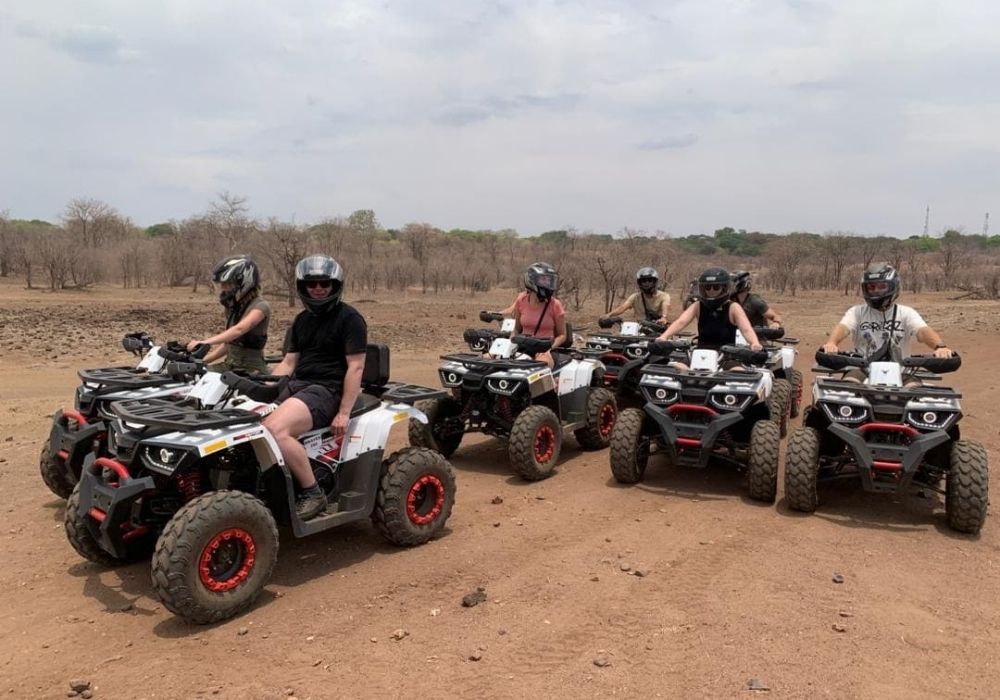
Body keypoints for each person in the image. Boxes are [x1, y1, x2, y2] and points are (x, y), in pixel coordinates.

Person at [264, 255, 367, 520]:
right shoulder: (301, 320)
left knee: (274, 430)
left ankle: (313, 493)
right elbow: (289, 362)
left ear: (335, 285)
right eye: (312, 284)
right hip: (298, 385)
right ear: (303, 287)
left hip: (327, 389)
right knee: (247, 419)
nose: (318, 288)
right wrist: (263, 389)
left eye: (324, 283)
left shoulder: (350, 319)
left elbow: (356, 367)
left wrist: (343, 412)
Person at [821, 263, 953, 366]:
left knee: (914, 389)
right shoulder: (857, 312)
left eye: (881, 286)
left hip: (901, 370)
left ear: (893, 287)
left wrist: (940, 347)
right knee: (850, 384)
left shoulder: (906, 313)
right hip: (862, 368)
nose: (876, 291)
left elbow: (923, 331)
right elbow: (843, 327)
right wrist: (832, 343)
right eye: (871, 287)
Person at [656, 268, 763, 364]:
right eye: (708, 287)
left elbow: (746, 329)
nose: (711, 290)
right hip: (700, 353)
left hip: (727, 355)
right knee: (677, 368)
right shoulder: (698, 305)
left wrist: (754, 343)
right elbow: (681, 322)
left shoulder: (733, 307)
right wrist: (664, 337)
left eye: (716, 287)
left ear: (724, 288)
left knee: (738, 372)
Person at [187, 255, 271, 373]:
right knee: (191, 375)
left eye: (227, 284)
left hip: (251, 371)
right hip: (230, 366)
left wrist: (205, 342)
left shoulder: (261, 306)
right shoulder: (234, 309)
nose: (223, 288)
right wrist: (200, 363)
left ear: (242, 282)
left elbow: (239, 330)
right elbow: (228, 345)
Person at [513, 262, 567, 368]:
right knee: (491, 359)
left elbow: (562, 335)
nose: (547, 283)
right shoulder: (521, 301)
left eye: (549, 280)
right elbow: (517, 329)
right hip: (524, 348)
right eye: (543, 279)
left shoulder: (555, 304)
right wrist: (510, 344)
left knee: (541, 365)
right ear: (531, 280)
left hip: (546, 348)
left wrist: (549, 349)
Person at [601, 267, 670, 326]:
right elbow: (622, 308)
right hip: (640, 328)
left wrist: (664, 318)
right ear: (640, 283)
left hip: (658, 327)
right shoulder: (635, 297)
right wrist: (608, 315)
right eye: (643, 281)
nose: (647, 283)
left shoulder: (664, 296)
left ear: (654, 282)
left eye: (649, 280)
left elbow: (665, 306)